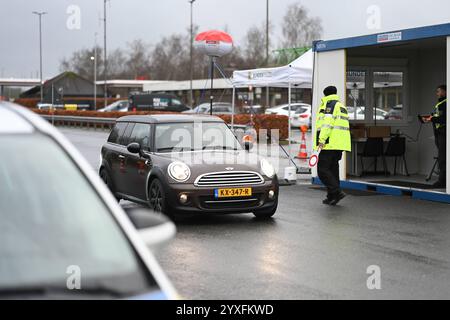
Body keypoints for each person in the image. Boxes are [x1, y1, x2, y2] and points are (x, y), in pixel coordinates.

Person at [314, 86, 351, 205]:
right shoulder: (341, 105)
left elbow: (327, 124)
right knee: (333, 169)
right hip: (340, 143)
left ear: (325, 95)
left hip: (330, 143)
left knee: (322, 169)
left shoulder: (329, 105)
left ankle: (337, 191)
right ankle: (332, 196)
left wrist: (322, 140)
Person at [424, 85, 447, 188]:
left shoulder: (445, 103)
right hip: (439, 132)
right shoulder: (440, 103)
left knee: (443, 158)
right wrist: (432, 118)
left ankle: (442, 181)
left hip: (444, 133)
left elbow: (444, 119)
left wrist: (432, 119)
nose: (437, 93)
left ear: (445, 92)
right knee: (442, 158)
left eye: (439, 91)